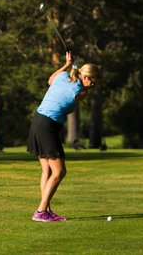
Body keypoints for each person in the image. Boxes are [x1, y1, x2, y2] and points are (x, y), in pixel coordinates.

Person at [26, 51, 100, 222]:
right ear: (86, 78)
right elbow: (78, 93)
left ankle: (46, 210)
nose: (93, 86)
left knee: (47, 169)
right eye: (93, 82)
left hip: (38, 121)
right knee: (60, 171)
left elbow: (50, 80)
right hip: (48, 127)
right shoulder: (81, 93)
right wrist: (74, 67)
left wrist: (67, 65)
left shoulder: (63, 76)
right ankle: (40, 211)